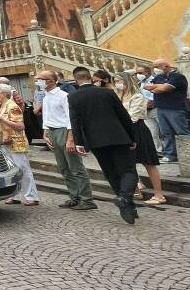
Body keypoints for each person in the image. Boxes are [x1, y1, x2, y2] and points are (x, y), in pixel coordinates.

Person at [69, 66, 139, 224]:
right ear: (91, 78)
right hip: (118, 136)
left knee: (111, 172)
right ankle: (124, 198)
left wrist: (79, 142)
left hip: (95, 141)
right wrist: (132, 136)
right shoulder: (107, 92)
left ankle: (128, 207)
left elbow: (75, 121)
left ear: (76, 80)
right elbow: (123, 115)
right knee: (128, 171)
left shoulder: (73, 97)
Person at [33, 69, 95, 210]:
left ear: (50, 81)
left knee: (75, 167)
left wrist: (70, 139)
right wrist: (45, 132)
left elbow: (70, 118)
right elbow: (47, 115)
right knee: (64, 168)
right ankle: (75, 196)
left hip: (64, 131)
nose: (37, 82)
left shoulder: (63, 96)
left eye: (40, 79)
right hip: (52, 131)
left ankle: (87, 199)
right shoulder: (46, 96)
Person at [116, 72, 166, 206]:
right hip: (124, 132)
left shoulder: (137, 96)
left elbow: (133, 117)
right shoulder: (118, 96)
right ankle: (137, 190)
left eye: (119, 80)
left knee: (148, 162)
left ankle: (159, 195)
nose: (117, 83)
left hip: (138, 130)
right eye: (115, 80)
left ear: (127, 81)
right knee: (129, 163)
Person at [0, 84, 38, 206]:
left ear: (3, 94)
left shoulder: (12, 106)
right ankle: (13, 195)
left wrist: (4, 120)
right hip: (3, 141)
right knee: (9, 170)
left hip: (16, 142)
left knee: (22, 168)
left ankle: (31, 196)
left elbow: (21, 126)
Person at [143, 58, 190, 163]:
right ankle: (170, 155)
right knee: (166, 133)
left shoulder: (178, 77)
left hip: (176, 108)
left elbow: (165, 88)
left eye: (157, 67)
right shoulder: (159, 77)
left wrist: (159, 87)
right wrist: (160, 87)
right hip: (161, 108)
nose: (155, 69)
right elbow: (147, 87)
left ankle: (187, 155)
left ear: (165, 66)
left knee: (182, 132)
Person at [134, 63, 163, 152]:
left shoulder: (155, 80)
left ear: (148, 72)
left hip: (156, 109)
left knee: (165, 131)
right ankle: (158, 151)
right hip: (145, 111)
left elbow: (154, 96)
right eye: (137, 73)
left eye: (140, 72)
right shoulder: (139, 83)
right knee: (152, 132)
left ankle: (171, 151)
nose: (138, 75)